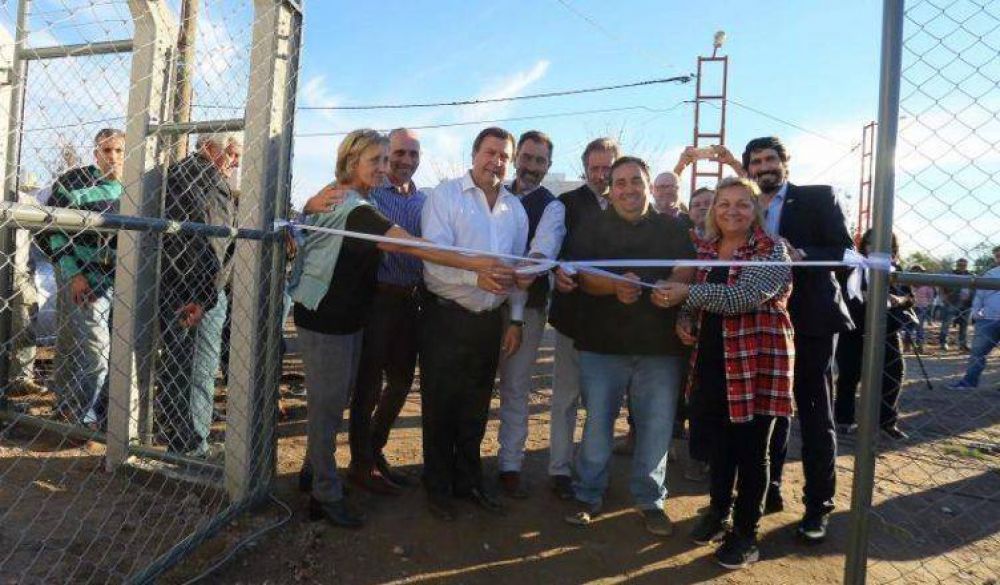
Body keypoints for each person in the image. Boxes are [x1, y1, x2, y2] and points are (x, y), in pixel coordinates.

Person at [291, 129, 510, 528]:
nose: (384, 167)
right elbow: (407, 245)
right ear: (351, 163)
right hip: (326, 317)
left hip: (348, 315)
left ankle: (313, 473)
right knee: (327, 409)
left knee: (335, 402)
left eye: (384, 160)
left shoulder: (359, 197)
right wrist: (475, 264)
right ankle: (324, 495)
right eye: (374, 160)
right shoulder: (352, 205)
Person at [656, 176, 793, 570]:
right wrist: (685, 317)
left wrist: (687, 296)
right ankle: (718, 512)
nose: (732, 210)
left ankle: (746, 534)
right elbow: (696, 297)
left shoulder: (772, 249)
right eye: (723, 204)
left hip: (757, 362)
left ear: (756, 210)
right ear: (713, 211)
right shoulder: (708, 250)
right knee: (720, 446)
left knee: (752, 452)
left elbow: (743, 297)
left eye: (742, 204)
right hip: (714, 360)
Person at [563, 156, 695, 537]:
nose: (627, 189)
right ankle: (587, 494)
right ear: (611, 188)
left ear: (648, 185)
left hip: (659, 347)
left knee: (656, 427)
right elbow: (581, 274)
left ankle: (651, 499)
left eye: (635, 181)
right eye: (619, 182)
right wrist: (614, 285)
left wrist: (671, 289)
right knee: (598, 425)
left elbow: (686, 266)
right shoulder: (592, 227)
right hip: (602, 346)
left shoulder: (673, 228)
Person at [418, 127, 534, 521]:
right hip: (446, 317)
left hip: (489, 323)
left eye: (504, 155)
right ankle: (437, 487)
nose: (496, 161)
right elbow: (433, 260)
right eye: (490, 153)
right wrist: (475, 278)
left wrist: (515, 320)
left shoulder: (514, 210)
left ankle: (468, 482)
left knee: (475, 407)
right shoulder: (445, 196)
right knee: (440, 406)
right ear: (474, 155)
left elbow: (518, 272)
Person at [744, 136, 854, 543]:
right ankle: (768, 492)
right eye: (755, 162)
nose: (763, 167)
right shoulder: (747, 206)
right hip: (762, 320)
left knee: (813, 411)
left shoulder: (818, 197)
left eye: (770, 159)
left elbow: (843, 250)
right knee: (767, 411)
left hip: (810, 321)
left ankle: (817, 505)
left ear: (785, 163)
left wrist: (801, 253)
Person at [344, 128, 429, 495]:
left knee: (401, 381)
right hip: (376, 300)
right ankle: (360, 465)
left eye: (413, 154)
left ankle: (374, 452)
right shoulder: (370, 195)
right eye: (399, 153)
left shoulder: (425, 200)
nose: (406, 161)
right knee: (368, 386)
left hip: (411, 301)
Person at [157, 132, 242, 457]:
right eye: (232, 154)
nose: (235, 162)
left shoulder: (179, 173)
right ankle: (193, 446)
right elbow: (212, 244)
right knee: (198, 369)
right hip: (197, 292)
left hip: (176, 286)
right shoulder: (209, 180)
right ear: (209, 149)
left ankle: (180, 439)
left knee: (179, 365)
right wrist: (205, 297)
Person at [547, 137, 620, 500]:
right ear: (584, 167)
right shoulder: (565, 204)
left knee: (603, 403)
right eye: (595, 167)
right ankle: (560, 469)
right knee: (565, 399)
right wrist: (554, 272)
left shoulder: (631, 205)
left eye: (608, 167)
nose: (601, 174)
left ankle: (594, 470)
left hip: (615, 323)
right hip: (573, 319)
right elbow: (549, 251)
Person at [496, 130, 565, 498]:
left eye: (540, 161)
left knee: (515, 388)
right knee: (476, 385)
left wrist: (525, 272)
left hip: (527, 309)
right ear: (515, 158)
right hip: (483, 304)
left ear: (548, 166)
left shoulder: (551, 206)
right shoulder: (494, 193)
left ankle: (510, 464)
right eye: (526, 158)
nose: (531, 167)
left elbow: (542, 251)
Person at [42, 128, 125, 428]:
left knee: (85, 344)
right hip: (84, 278)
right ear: (96, 154)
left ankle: (71, 407)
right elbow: (54, 230)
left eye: (118, 151)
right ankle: (86, 417)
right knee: (94, 349)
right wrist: (73, 274)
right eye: (107, 151)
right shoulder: (74, 183)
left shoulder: (138, 188)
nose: (113, 157)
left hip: (123, 280)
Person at [834, 230, 913, 440]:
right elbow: (840, 293)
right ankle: (843, 419)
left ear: (893, 248)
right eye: (871, 243)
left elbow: (909, 298)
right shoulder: (853, 266)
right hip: (854, 329)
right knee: (849, 375)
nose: (875, 248)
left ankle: (886, 422)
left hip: (887, 330)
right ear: (864, 245)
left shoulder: (895, 269)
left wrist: (898, 299)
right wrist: (864, 296)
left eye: (884, 243)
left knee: (893, 374)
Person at [949, 245, 1000, 390]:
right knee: (977, 353)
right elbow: (979, 295)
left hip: (989, 319)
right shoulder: (990, 274)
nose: (998, 259)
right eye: (997, 256)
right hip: (988, 318)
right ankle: (969, 382)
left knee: (977, 353)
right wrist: (976, 312)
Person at [938, 258, 973, 352]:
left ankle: (962, 344)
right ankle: (943, 343)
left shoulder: (971, 275)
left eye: (964, 264)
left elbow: (974, 288)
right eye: (960, 264)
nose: (962, 266)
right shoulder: (950, 274)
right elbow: (940, 285)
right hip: (952, 302)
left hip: (966, 303)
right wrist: (943, 296)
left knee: (964, 325)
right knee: (946, 323)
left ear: (967, 265)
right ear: (957, 265)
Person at [903, 264, 934, 353]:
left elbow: (930, 296)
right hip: (910, 307)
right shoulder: (908, 283)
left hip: (921, 307)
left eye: (919, 271)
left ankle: (919, 346)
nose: (917, 273)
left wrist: (928, 304)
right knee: (909, 327)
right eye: (914, 271)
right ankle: (907, 346)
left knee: (919, 327)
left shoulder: (926, 284)